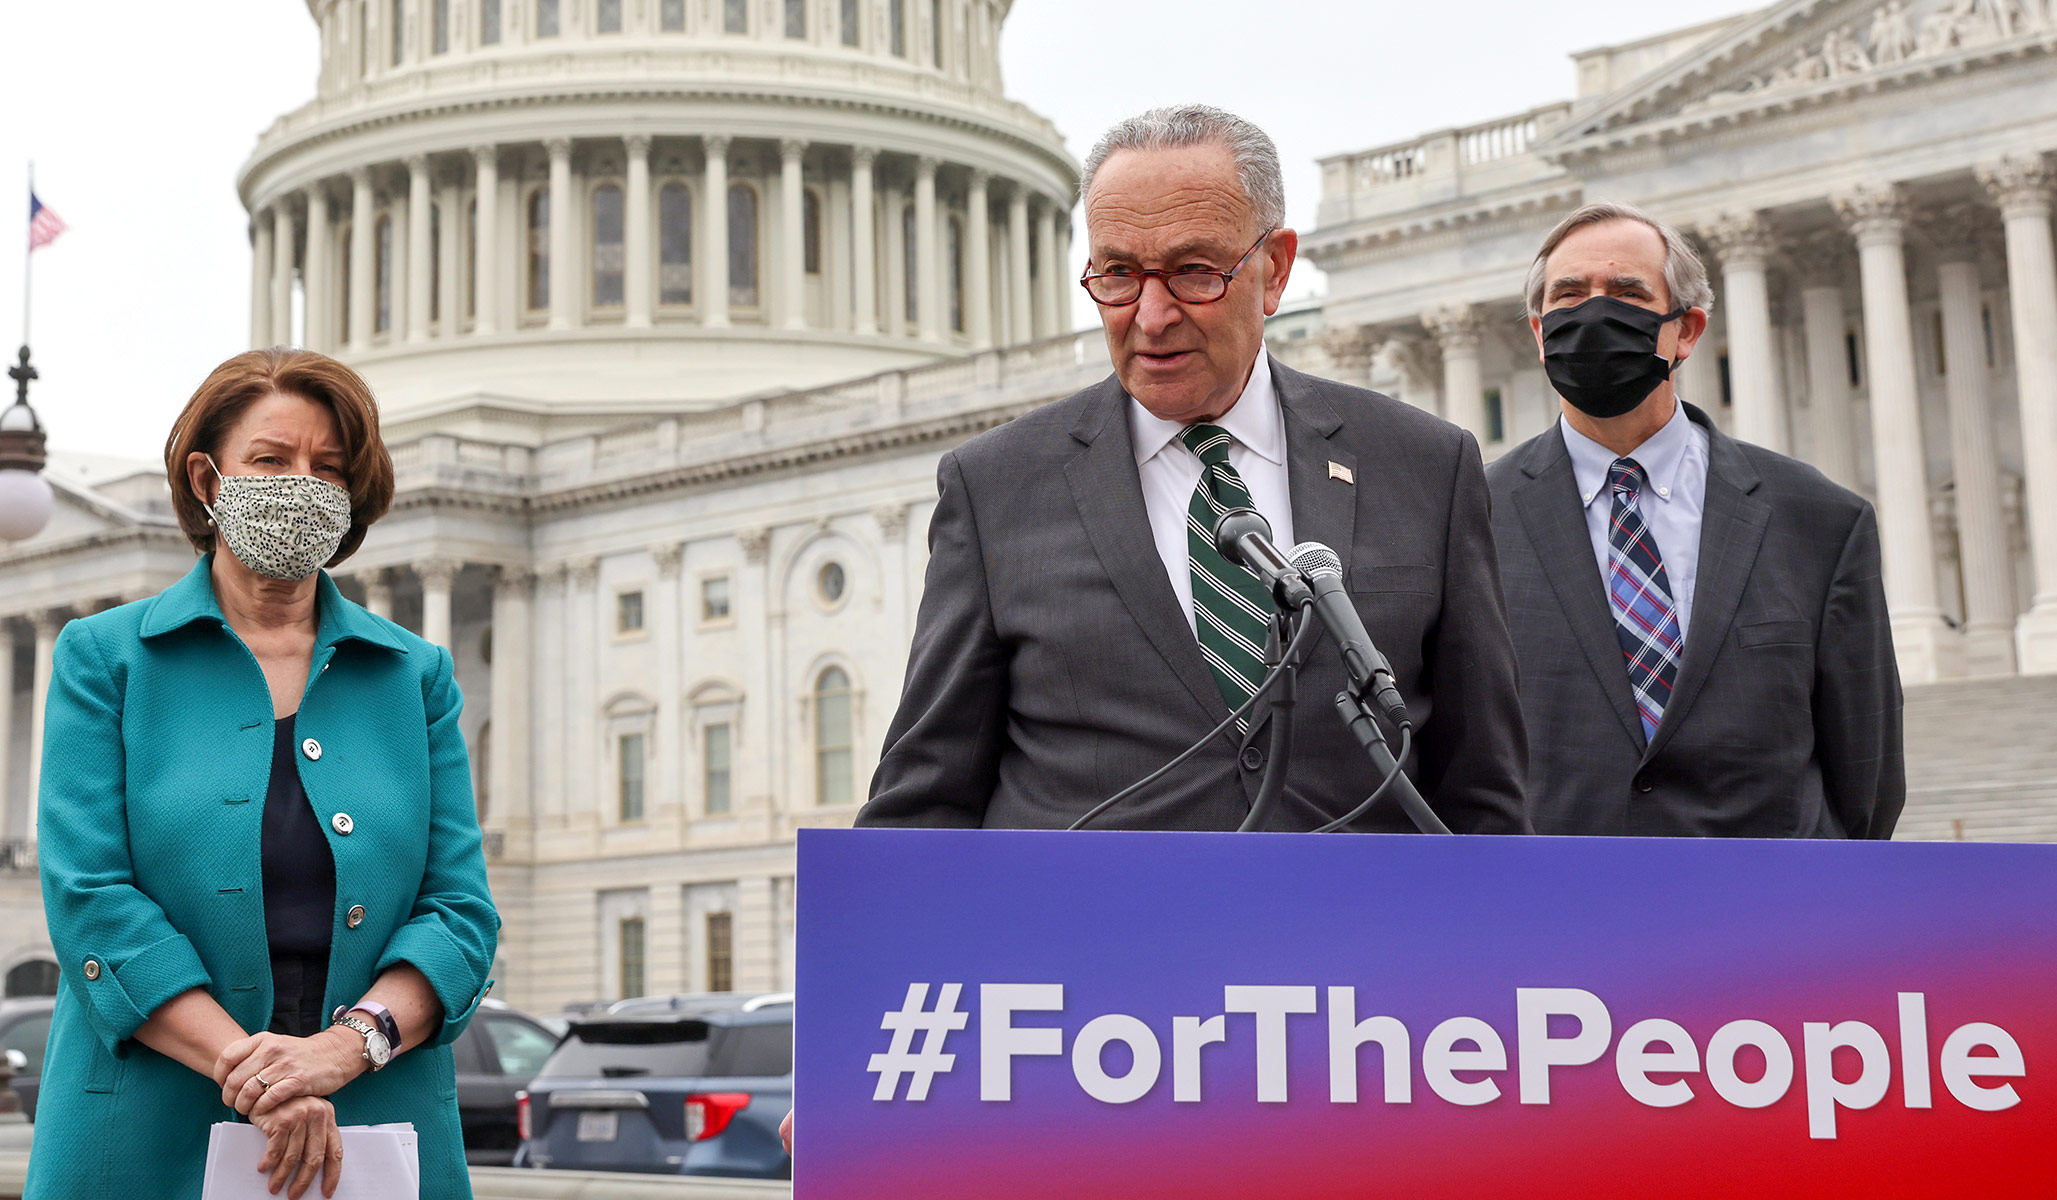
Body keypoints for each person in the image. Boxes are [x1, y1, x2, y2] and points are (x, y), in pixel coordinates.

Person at [856, 105, 1529, 833]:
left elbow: (1482, 795)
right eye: (1118, 273)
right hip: (1097, 910)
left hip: (1352, 909)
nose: (1150, 316)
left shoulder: (1425, 466)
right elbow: (924, 799)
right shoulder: (995, 488)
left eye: (1193, 272)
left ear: (1273, 270)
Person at [29, 349, 500, 1200]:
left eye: (329, 467)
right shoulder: (105, 659)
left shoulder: (414, 677)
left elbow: (460, 914)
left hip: (373, 1130)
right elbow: (90, 901)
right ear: (206, 479)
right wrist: (265, 1077)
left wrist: (340, 1051)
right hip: (144, 1138)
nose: (302, 486)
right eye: (271, 460)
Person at [1485, 202, 1904, 838]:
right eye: (1569, 294)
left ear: (1686, 330)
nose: (1593, 313)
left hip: (1761, 895)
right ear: (1541, 334)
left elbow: (1867, 777)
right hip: (1559, 893)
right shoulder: (1474, 518)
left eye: (1627, 293)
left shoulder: (1820, 519)